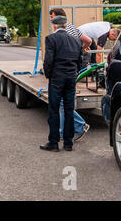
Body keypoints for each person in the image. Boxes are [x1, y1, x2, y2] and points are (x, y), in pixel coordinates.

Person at [41, 15, 82, 152]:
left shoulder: (51, 39)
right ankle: (68, 143)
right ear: (66, 25)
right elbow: (80, 60)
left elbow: (48, 60)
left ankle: (53, 143)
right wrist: (75, 73)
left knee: (54, 110)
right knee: (69, 110)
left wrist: (48, 75)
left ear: (54, 26)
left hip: (57, 78)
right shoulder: (76, 41)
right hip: (71, 78)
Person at [49, 8, 91, 142]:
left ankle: (79, 124)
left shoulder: (58, 33)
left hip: (62, 72)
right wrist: (82, 48)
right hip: (73, 70)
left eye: (52, 16)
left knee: (61, 102)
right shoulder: (73, 28)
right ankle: (68, 130)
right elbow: (88, 40)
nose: (50, 19)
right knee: (65, 102)